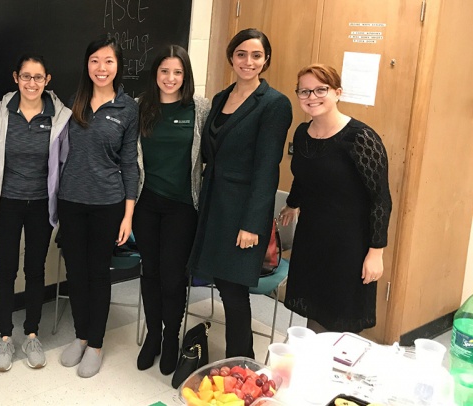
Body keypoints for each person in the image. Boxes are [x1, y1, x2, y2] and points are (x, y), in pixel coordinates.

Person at [186, 28, 292, 359]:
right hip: (214, 203)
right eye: (242, 54)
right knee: (221, 282)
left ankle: (241, 364)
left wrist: (252, 225)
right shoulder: (220, 98)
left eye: (256, 55)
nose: (248, 61)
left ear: (266, 60)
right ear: (231, 57)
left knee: (233, 291)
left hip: (244, 211)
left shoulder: (274, 104)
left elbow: (267, 169)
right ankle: (236, 360)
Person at [280, 64, 391, 333]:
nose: (312, 96)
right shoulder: (302, 133)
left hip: (348, 243)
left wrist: (376, 252)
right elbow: (305, 175)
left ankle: (339, 372)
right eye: (304, 91)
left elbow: (380, 198)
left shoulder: (361, 138)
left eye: (321, 89)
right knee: (314, 310)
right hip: (312, 236)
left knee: (340, 316)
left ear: (338, 93)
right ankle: (315, 368)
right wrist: (293, 203)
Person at [0, 55, 72, 372]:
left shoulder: (61, 118)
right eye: (25, 77)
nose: (31, 83)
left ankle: (31, 333)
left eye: (38, 77)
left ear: (47, 80)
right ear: (15, 78)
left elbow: (63, 163)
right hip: (7, 204)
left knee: (35, 270)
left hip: (41, 206)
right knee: (6, 270)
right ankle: (5, 337)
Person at [57, 34, 139, 378]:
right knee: (75, 273)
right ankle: (80, 335)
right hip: (71, 202)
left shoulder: (127, 107)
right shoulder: (72, 101)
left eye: (108, 61)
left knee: (97, 274)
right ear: (86, 64)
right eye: (95, 61)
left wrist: (128, 215)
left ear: (117, 66)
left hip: (108, 203)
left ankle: (96, 343)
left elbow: (130, 163)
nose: (101, 68)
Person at [134, 45, 209, 374]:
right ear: (155, 74)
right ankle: (152, 335)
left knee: (172, 276)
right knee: (149, 272)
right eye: (164, 71)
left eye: (177, 72)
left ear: (186, 76)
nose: (170, 78)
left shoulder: (200, 109)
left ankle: (170, 338)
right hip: (145, 204)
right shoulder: (139, 108)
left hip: (182, 206)